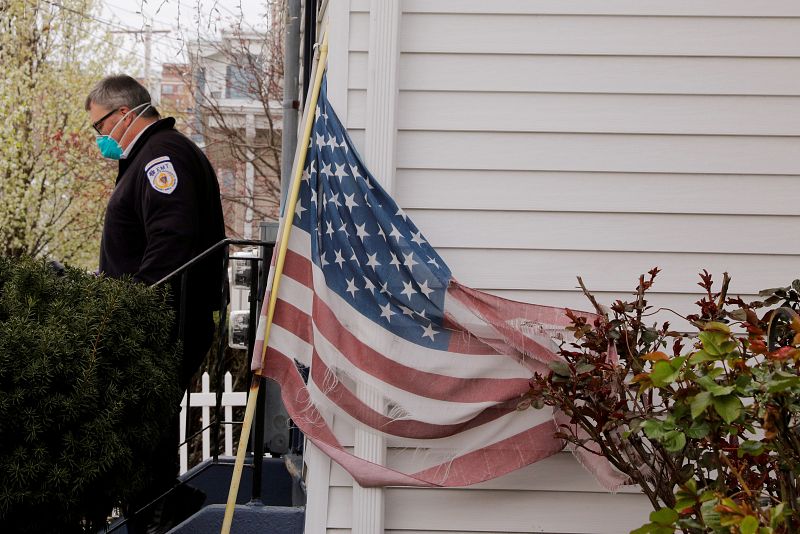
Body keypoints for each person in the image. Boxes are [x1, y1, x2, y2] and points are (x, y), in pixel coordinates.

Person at [86, 74, 225, 532]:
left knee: (145, 422)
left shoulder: (160, 156)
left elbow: (171, 241)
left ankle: (161, 513)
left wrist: (134, 308)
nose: (100, 139)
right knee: (147, 422)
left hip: (162, 321)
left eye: (99, 127)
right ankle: (163, 507)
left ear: (123, 114)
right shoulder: (154, 153)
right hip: (161, 318)